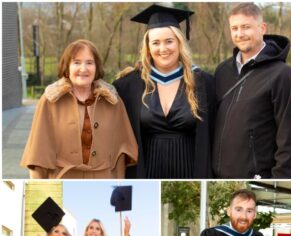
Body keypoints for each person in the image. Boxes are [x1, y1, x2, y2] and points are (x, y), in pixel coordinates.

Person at [114, 4, 215, 179]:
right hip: (145, 173)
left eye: (169, 41)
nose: (163, 48)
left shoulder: (203, 83)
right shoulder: (129, 85)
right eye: (156, 43)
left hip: (191, 173)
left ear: (179, 43)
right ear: (148, 47)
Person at [20, 39, 137, 179]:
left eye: (89, 62)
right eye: (76, 62)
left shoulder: (113, 102)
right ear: (67, 67)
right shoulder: (49, 102)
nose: (83, 68)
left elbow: (121, 155)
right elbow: (37, 157)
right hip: (61, 182)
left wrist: (120, 187)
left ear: (96, 67)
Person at [212, 2, 291, 179]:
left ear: (262, 28)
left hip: (256, 176)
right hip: (217, 176)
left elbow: (290, 139)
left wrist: (278, 181)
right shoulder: (222, 71)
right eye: (234, 28)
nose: (239, 34)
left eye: (246, 27)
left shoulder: (282, 75)